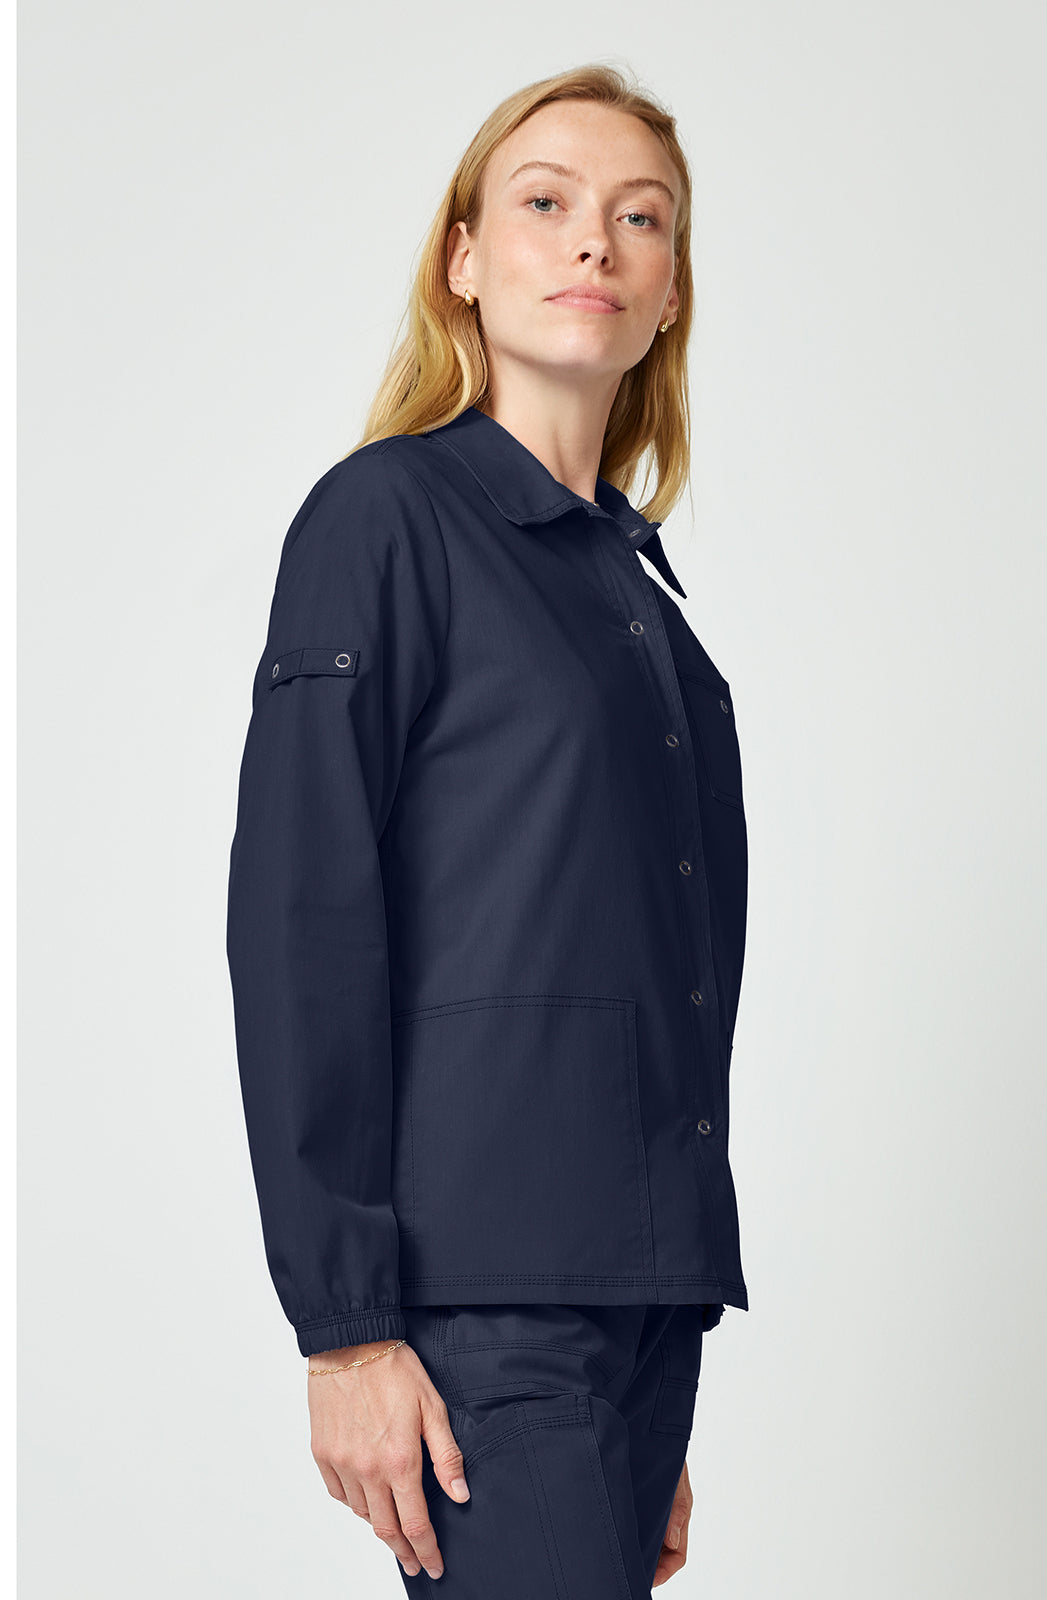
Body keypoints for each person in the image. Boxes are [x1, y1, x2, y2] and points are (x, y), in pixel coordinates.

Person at [226, 62, 750, 1597]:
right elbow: (302, 916)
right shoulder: (385, 520)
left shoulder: (638, 601)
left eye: (639, 219)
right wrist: (345, 1327)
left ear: (669, 292)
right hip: (482, 1311)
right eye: (546, 202)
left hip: (635, 1304)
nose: (594, 240)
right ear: (464, 259)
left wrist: (648, 1375)